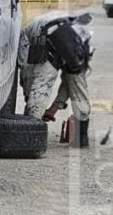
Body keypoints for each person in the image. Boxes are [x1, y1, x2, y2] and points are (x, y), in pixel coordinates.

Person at [18, 10, 93, 147]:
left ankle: (31, 132)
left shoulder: (77, 45)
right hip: (43, 32)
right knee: (76, 85)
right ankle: (81, 137)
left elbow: (68, 83)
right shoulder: (80, 46)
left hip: (47, 32)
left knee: (39, 84)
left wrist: (53, 108)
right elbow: (71, 82)